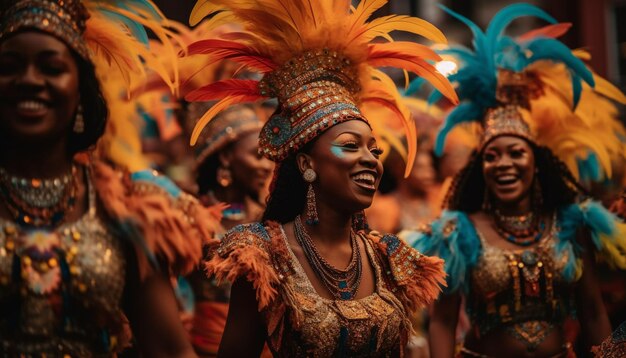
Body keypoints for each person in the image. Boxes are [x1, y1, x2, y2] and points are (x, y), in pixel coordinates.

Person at [184, 0, 461, 356]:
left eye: (373, 150)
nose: (370, 160)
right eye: (350, 146)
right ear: (305, 164)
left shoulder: (390, 258)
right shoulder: (263, 257)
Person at [405, 4, 626, 358]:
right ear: (481, 169)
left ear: (537, 164)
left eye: (516, 154)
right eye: (491, 157)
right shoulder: (459, 231)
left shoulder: (570, 223)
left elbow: (592, 310)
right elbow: (443, 321)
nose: (503, 164)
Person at [0, 0, 220, 355]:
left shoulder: (124, 208)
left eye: (51, 67)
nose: (29, 80)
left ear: (80, 90)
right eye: (9, 66)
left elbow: (170, 349)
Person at [188, 103, 273, 356]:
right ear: (225, 157)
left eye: (270, 157)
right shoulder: (191, 218)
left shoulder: (270, 219)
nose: (267, 166)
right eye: (257, 155)